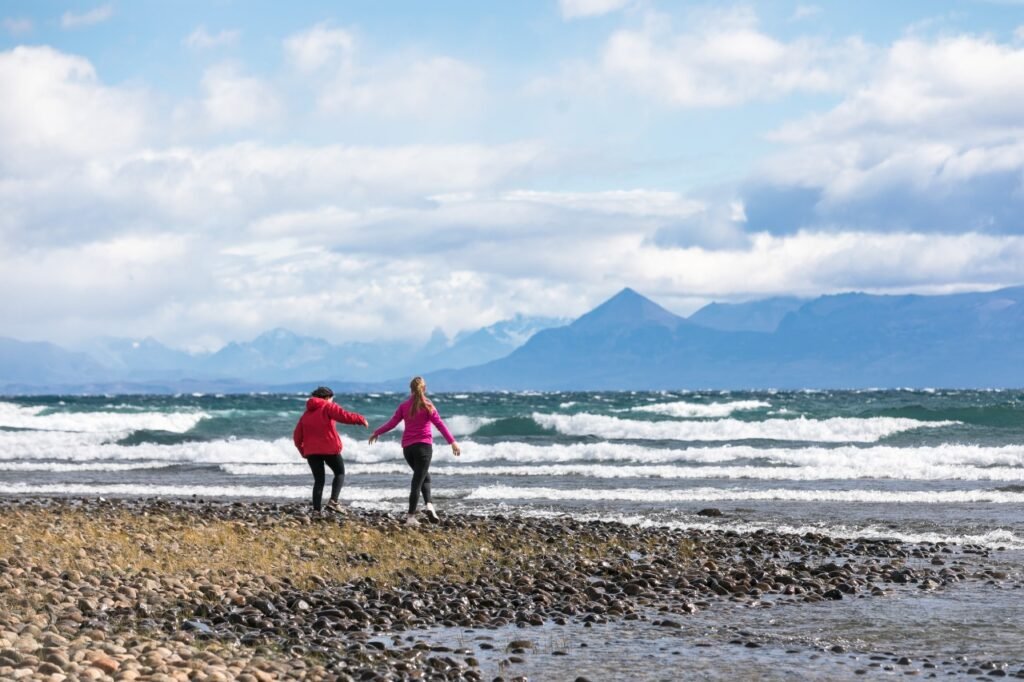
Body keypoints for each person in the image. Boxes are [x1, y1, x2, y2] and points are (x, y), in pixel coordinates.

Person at [369, 376, 461, 525]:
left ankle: (429, 507)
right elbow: (440, 425)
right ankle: (411, 516)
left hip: (408, 449)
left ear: (410, 389)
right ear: (424, 388)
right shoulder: (428, 405)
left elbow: (392, 423)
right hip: (423, 448)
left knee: (425, 477)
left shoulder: (404, 406)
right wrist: (452, 442)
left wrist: (377, 432)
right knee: (418, 481)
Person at [293, 386, 368, 515]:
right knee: (339, 472)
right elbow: (344, 416)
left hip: (311, 451)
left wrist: (303, 451)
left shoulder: (306, 414)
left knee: (319, 480)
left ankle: (316, 511)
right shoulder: (328, 407)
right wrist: (360, 419)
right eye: (332, 398)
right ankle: (333, 502)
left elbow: (297, 437)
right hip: (329, 448)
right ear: (327, 397)